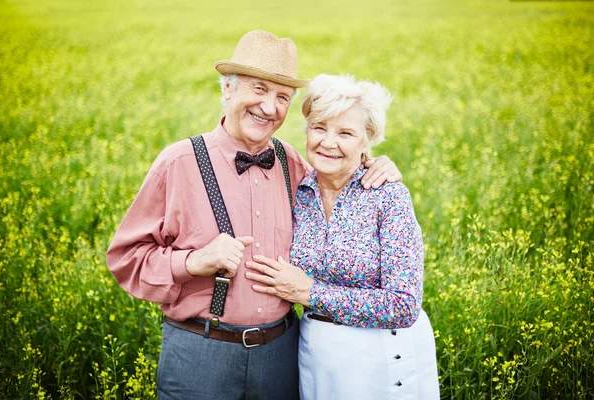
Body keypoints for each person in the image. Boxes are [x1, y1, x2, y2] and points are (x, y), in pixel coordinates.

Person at [106, 31, 402, 400]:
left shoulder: (294, 164)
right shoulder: (177, 163)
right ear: (227, 90)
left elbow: (340, 173)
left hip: (282, 356)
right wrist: (194, 261)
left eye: (282, 97)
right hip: (200, 354)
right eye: (258, 89)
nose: (268, 106)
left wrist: (374, 163)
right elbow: (126, 259)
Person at [245, 74, 440, 399]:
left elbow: (404, 305)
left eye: (345, 133)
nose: (328, 142)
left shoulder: (387, 196)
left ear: (367, 142)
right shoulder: (297, 189)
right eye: (319, 127)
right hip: (317, 357)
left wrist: (311, 293)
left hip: (380, 359)